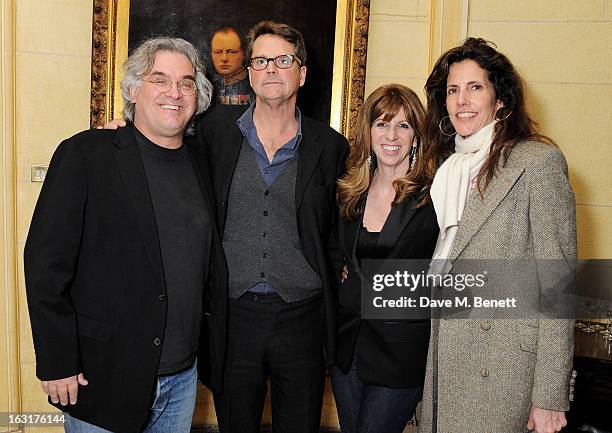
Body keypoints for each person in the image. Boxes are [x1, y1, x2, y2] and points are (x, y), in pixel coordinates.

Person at [24, 37, 227, 433]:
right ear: (134, 90)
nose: (174, 92)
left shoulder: (203, 160)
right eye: (160, 79)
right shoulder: (86, 154)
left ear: (198, 97)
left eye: (186, 82)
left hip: (182, 379)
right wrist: (57, 361)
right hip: (102, 376)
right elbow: (45, 265)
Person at [419, 38, 576, 433]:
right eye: (453, 90)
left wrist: (550, 398)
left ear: (500, 100)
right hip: (446, 352)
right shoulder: (446, 170)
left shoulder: (537, 163)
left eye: (475, 87)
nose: (461, 101)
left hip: (504, 367)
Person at [199, 20, 348, 433]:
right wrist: (116, 131)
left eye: (283, 60)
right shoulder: (214, 133)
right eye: (261, 60)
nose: (270, 69)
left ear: (301, 73)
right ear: (249, 72)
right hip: (233, 315)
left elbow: (338, 228)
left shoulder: (330, 146)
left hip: (303, 316)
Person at [331, 84, 439, 433]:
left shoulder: (434, 194)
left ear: (416, 135)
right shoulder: (349, 191)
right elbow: (334, 249)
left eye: (403, 126)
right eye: (382, 123)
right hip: (348, 347)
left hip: (401, 353)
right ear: (369, 131)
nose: (391, 135)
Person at [210, 27, 253, 105]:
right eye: (218, 52)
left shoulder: (254, 86)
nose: (224, 59)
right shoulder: (208, 87)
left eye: (232, 52)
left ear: (244, 54)